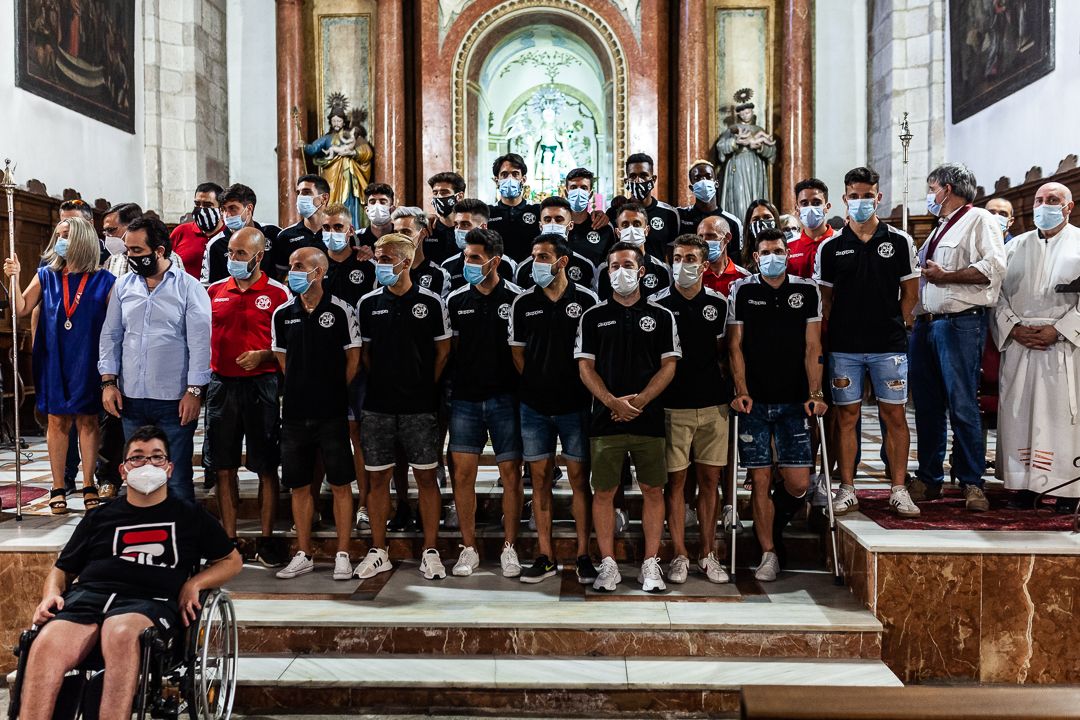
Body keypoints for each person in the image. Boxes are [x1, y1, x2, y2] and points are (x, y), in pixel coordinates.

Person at [19, 425, 242, 720]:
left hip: (148, 600)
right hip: (89, 597)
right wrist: (50, 595)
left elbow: (231, 560)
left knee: (121, 632)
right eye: (137, 457)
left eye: (156, 457)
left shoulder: (189, 515)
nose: (147, 464)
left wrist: (195, 583)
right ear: (123, 471)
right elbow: (61, 570)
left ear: (169, 468)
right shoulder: (99, 517)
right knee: (46, 642)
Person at [816, 167, 923, 519]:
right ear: (845, 199)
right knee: (847, 416)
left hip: (888, 345)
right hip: (844, 346)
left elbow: (910, 294)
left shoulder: (900, 240)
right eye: (854, 196)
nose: (861, 201)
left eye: (867, 195)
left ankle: (897, 488)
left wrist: (897, 323)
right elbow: (826, 299)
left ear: (878, 197)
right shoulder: (830, 247)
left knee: (894, 414)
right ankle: (847, 488)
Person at [575, 241, 681, 593]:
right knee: (604, 491)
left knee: (654, 489)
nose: (620, 271)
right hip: (605, 420)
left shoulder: (662, 315)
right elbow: (585, 368)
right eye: (613, 265)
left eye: (627, 264)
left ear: (641, 271)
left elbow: (669, 365)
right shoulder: (592, 316)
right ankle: (608, 564)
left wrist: (638, 402)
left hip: (649, 419)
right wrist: (611, 403)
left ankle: (651, 563)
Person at [727, 227, 825, 581]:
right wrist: (740, 388)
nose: (773, 257)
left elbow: (813, 346)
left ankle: (775, 520)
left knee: (798, 483)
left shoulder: (806, 290)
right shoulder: (742, 289)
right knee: (760, 476)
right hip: (755, 400)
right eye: (766, 251)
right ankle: (768, 550)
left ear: (787, 253)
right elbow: (734, 346)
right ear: (755, 257)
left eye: (779, 251)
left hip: (794, 400)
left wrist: (815, 393)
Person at [908, 163, 1006, 509]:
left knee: (962, 402)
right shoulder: (940, 227)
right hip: (927, 324)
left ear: (946, 188)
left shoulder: (980, 220)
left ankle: (971, 480)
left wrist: (946, 276)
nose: (930, 195)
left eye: (931, 188)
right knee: (928, 406)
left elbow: (992, 269)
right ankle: (929, 477)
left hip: (960, 323)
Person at [354, 234, 451, 581]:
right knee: (378, 480)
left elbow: (442, 352)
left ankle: (430, 550)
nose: (379, 263)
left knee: (426, 477)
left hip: (420, 405)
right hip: (378, 404)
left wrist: (423, 383)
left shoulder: (432, 302)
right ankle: (379, 550)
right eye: (378, 257)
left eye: (386, 258)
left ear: (406, 262)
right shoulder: (367, 303)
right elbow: (364, 353)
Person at [4, 218, 116, 514]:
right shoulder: (46, 275)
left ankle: (89, 482)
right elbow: (21, 308)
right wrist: (14, 278)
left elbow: (117, 324)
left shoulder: (104, 280)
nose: (60, 241)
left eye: (65, 235)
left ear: (82, 238)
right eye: (58, 235)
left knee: (88, 420)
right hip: (53, 356)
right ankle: (57, 485)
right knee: (57, 421)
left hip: (88, 356)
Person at [99, 216, 211, 503]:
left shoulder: (189, 287)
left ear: (159, 251)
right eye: (127, 250)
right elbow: (111, 335)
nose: (129, 257)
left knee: (177, 476)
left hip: (174, 400)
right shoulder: (124, 286)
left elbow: (200, 343)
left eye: (136, 251)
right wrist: (108, 383)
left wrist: (194, 391)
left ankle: (180, 543)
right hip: (131, 398)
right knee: (137, 475)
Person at [509, 233, 599, 584]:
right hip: (534, 406)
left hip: (575, 404)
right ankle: (544, 554)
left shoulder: (587, 300)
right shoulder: (523, 302)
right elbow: (517, 354)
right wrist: (537, 380)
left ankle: (583, 554)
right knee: (541, 480)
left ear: (563, 261)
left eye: (543, 256)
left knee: (579, 480)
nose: (536, 263)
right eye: (534, 256)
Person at [271, 248, 361, 580]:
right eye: (291, 264)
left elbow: (353, 358)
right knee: (299, 485)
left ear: (319, 272)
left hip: (332, 411)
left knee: (340, 483)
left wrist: (331, 388)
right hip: (295, 412)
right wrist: (300, 386)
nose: (292, 270)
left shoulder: (341, 310)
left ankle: (342, 553)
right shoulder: (282, 313)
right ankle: (303, 552)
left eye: (299, 266)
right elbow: (282, 359)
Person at [205, 227, 289, 565]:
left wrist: (264, 356)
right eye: (230, 253)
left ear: (258, 256)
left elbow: (287, 345)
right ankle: (229, 539)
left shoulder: (279, 293)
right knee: (224, 467)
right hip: (222, 386)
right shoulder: (213, 291)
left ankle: (267, 538)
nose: (233, 259)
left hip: (262, 386)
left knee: (266, 466)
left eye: (240, 254)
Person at [993, 182, 1080, 511]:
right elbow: (996, 295)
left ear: (1068, 207)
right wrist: (1012, 327)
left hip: (1063, 348)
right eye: (1039, 200)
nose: (1044, 206)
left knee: (1060, 417)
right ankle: (1024, 486)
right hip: (1020, 344)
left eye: (1053, 200)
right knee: (1020, 414)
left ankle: (1067, 491)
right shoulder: (1015, 247)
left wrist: (1059, 330)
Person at [444, 228, 525, 578]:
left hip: (506, 397)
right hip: (465, 398)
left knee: (511, 474)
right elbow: (452, 350)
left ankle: (510, 546)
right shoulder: (456, 300)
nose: (468, 263)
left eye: (475, 258)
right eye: (466, 257)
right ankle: (469, 547)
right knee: (463, 474)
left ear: (494, 260)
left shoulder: (517, 299)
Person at [650, 234, 731, 584]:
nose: (683, 264)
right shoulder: (657, 303)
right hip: (672, 407)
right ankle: (680, 554)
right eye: (678, 257)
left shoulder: (719, 302)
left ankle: (707, 552)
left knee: (710, 481)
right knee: (677, 483)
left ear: (704, 263)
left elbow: (724, 351)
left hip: (713, 405)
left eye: (690, 258)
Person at [201, 184, 279, 285]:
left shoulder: (272, 233)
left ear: (249, 209)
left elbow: (283, 271)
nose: (227, 215)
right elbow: (210, 285)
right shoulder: (215, 244)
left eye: (232, 208)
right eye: (223, 209)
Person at [514, 196, 597, 291]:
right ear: (540, 226)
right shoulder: (524, 268)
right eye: (547, 220)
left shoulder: (586, 265)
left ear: (570, 225)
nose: (552, 224)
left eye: (559, 219)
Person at [607, 153, 679, 261]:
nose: (638, 180)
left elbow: (673, 254)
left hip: (656, 275)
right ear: (626, 182)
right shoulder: (614, 212)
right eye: (633, 176)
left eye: (643, 175)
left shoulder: (669, 213)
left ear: (653, 179)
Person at [597, 202, 671, 300]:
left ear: (646, 230)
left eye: (637, 224)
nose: (631, 229)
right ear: (618, 232)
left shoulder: (662, 270)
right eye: (625, 224)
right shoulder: (605, 270)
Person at [443, 199, 518, 290]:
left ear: (483, 227)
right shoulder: (448, 265)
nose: (458, 230)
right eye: (456, 225)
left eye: (465, 224)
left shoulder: (508, 265)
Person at [677, 160, 744, 258]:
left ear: (716, 183)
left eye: (708, 177)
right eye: (698, 178)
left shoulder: (733, 222)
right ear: (692, 188)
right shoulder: (680, 216)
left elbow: (736, 256)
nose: (703, 180)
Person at [487, 153, 541, 262]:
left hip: (530, 269)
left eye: (515, 174)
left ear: (523, 179)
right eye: (504, 174)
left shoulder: (537, 210)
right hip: (498, 270)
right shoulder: (487, 212)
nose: (510, 179)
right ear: (496, 180)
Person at [273, 174, 331, 277]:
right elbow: (279, 277)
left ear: (324, 198)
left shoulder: (338, 234)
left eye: (306, 192)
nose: (300, 197)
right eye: (298, 193)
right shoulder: (285, 236)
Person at [170, 182, 225, 278]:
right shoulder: (180, 232)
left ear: (221, 209)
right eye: (197, 204)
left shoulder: (229, 235)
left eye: (208, 205)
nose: (201, 209)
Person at [394, 206, 451, 299]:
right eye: (396, 232)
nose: (399, 237)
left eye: (406, 232)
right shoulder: (388, 272)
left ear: (423, 233)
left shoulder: (439, 275)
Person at [565, 167, 616, 269]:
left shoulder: (604, 228)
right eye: (574, 187)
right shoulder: (556, 226)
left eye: (583, 188)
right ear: (566, 193)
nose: (578, 193)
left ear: (590, 194)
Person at [700, 215, 751, 296]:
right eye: (700, 237)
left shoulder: (745, 277)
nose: (704, 242)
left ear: (727, 237)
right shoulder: (694, 275)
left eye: (710, 236)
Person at [426, 171, 466, 265]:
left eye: (444, 193)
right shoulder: (428, 228)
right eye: (435, 193)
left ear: (459, 197)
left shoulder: (468, 229)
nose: (438, 197)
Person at [102, 203, 147, 276]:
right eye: (105, 232)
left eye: (111, 230)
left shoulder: (154, 257)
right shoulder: (111, 260)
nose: (108, 236)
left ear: (133, 226)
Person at [740, 199, 780, 269]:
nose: (762, 222)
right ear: (748, 225)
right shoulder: (738, 258)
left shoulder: (785, 253)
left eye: (767, 217)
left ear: (775, 220)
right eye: (756, 219)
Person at [355, 183, 396, 248]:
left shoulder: (401, 236)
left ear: (392, 209)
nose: (377, 205)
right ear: (366, 210)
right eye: (372, 202)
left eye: (382, 202)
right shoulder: (355, 238)